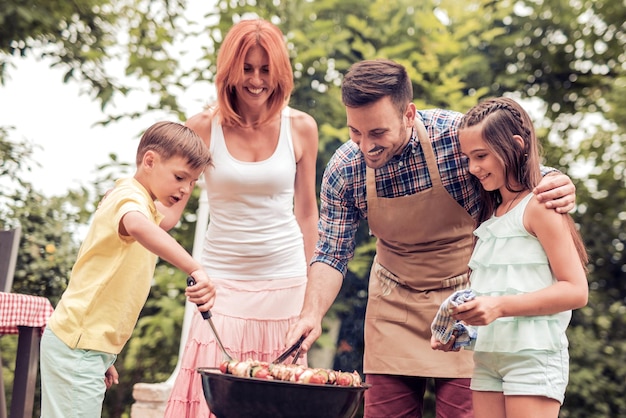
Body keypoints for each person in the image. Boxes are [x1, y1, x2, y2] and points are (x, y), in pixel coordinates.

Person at [285, 59, 577, 418]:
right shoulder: (345, 169)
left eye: (377, 133)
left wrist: (557, 180)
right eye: (355, 133)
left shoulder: (455, 138)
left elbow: (516, 169)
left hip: (466, 303)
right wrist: (311, 313)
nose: (366, 146)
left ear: (408, 114)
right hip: (392, 304)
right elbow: (331, 252)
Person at [164, 18, 319, 417]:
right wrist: (128, 204)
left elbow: (306, 213)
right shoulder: (201, 126)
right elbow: (169, 208)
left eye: (265, 69)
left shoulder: (300, 128)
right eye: (246, 68)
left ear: (279, 71)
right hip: (221, 286)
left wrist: (311, 301)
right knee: (212, 399)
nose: (255, 80)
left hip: (286, 284)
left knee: (277, 402)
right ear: (230, 71)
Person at [39, 121, 216, 418]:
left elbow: (167, 219)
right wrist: (195, 267)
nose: (185, 188)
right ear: (149, 161)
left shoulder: (144, 203)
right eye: (180, 177)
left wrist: (101, 355)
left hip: (84, 346)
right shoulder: (128, 197)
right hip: (77, 347)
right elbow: (136, 225)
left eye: (193, 183)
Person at [431, 97, 588, 418]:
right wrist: (462, 325)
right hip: (489, 357)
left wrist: (498, 306)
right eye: (468, 158)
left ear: (516, 146)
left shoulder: (540, 206)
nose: (473, 168)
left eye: (481, 156)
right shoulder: (491, 215)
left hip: (533, 358)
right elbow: (500, 292)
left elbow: (575, 290)